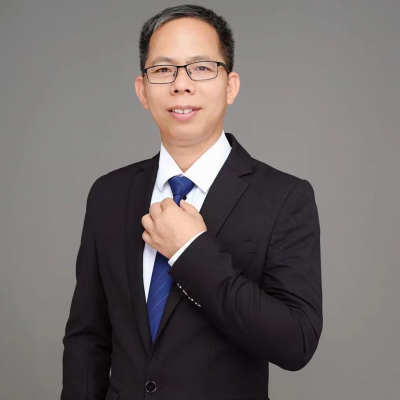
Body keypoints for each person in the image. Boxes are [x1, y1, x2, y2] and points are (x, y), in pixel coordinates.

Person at [61, 4, 322, 400]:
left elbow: (296, 341)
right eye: (164, 69)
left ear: (230, 86)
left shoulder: (285, 197)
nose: (181, 84)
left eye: (201, 67)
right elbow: (87, 338)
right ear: (142, 90)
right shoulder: (108, 194)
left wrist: (191, 252)